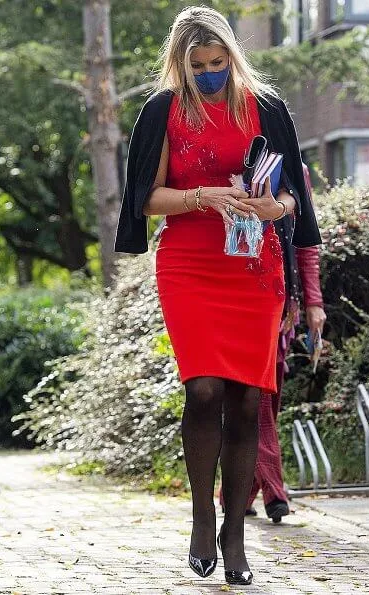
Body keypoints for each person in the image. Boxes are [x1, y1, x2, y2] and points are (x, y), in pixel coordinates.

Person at [114, 6, 321, 586]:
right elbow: (146, 200)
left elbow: (295, 200)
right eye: (198, 64)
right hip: (191, 263)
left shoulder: (268, 108)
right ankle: (202, 517)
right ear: (179, 64)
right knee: (203, 390)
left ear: (233, 55)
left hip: (255, 267)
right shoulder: (163, 111)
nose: (210, 72)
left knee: (249, 403)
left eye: (218, 61)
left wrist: (270, 206)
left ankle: (235, 533)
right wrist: (203, 195)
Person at [219, 165, 326, 523]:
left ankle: (239, 488)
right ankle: (274, 490)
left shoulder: (296, 172)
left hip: (280, 299)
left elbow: (306, 240)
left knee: (270, 395)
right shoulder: (228, 164)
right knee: (255, 396)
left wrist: (314, 303)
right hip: (230, 297)